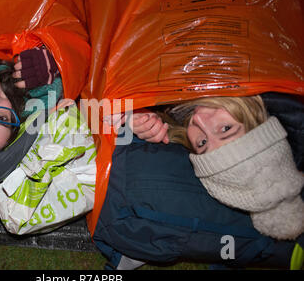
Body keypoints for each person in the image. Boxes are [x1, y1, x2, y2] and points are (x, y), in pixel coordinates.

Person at [126, 95, 304, 241]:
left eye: (202, 143)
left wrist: (132, 113)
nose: (199, 120)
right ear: (253, 116)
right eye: (226, 129)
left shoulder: (176, 117)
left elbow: (101, 105)